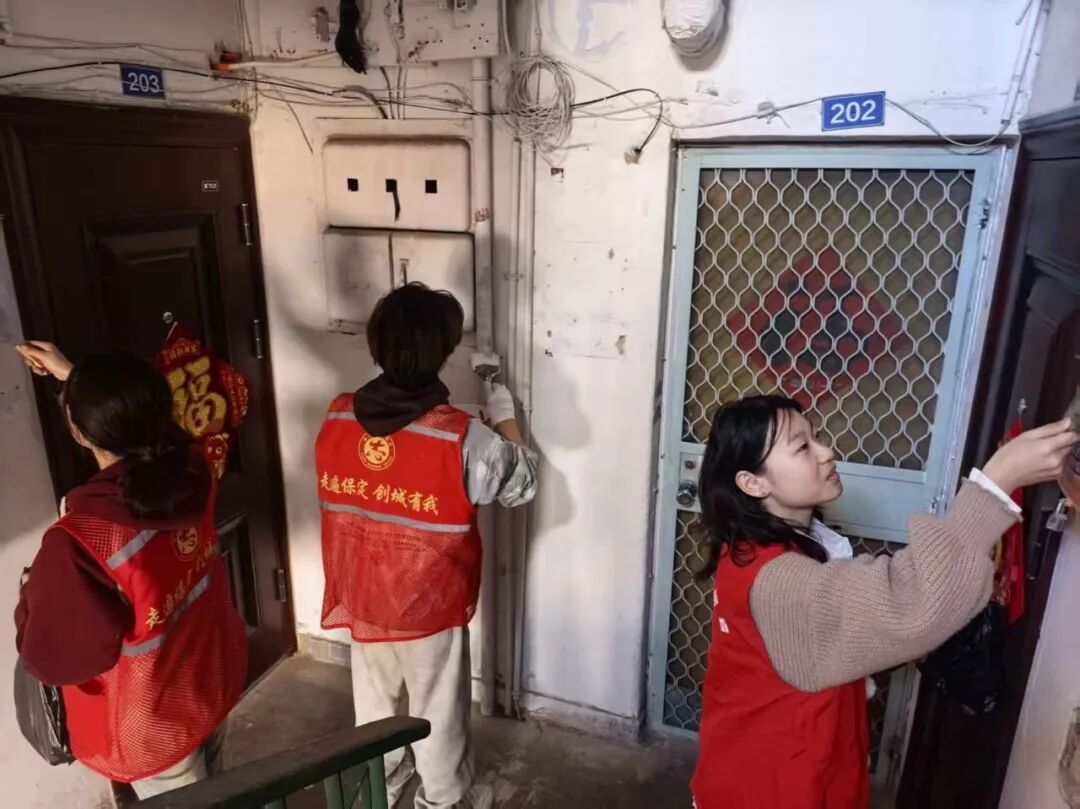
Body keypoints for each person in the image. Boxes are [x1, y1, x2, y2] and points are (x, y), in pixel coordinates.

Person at [690, 394, 1078, 809]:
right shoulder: (780, 582)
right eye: (802, 447)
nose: (826, 452)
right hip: (775, 787)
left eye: (816, 436)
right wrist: (996, 483)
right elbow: (914, 599)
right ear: (753, 483)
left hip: (753, 762)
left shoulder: (753, 548)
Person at [315, 283, 538, 809]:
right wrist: (501, 408)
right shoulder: (463, 438)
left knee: (375, 710)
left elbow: (379, 466)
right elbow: (522, 482)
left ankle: (381, 788)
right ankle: (443, 800)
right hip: (429, 607)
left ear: (377, 346)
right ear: (442, 352)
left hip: (364, 597)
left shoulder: (338, 414)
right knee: (438, 716)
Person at [13, 342, 246, 801]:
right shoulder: (195, 469)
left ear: (79, 434)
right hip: (210, 675)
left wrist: (32, 596)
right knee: (221, 785)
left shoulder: (81, 538)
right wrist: (74, 378)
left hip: (153, 722)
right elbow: (154, 428)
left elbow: (57, 657)